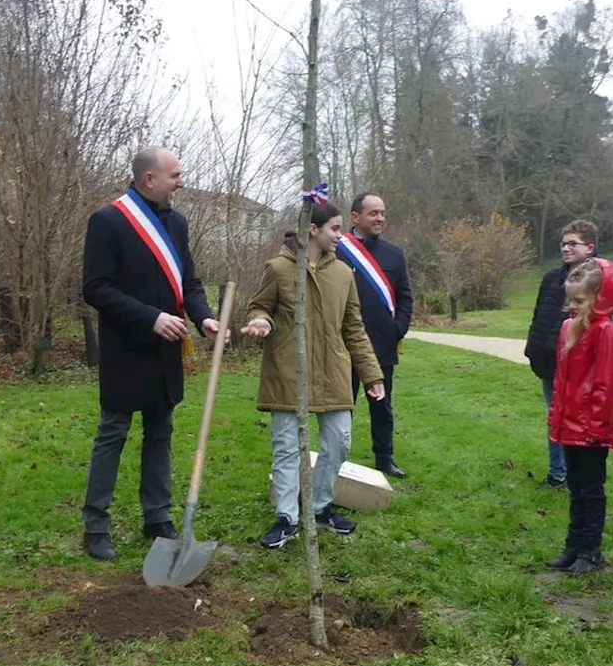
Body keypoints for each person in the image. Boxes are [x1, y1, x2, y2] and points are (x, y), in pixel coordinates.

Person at [80, 147, 218, 561]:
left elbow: (188, 283)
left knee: (160, 433)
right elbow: (96, 288)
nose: (181, 182)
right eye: (175, 175)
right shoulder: (108, 221)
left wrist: (204, 318)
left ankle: (157, 517)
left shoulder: (176, 224)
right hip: (126, 350)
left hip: (165, 352)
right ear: (148, 180)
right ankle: (95, 525)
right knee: (113, 435)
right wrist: (151, 318)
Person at [244, 202, 385, 549]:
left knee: (340, 441)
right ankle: (287, 518)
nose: (340, 236)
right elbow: (259, 305)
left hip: (332, 372)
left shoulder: (343, 274)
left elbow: (354, 328)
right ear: (313, 230)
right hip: (287, 371)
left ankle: (320, 507)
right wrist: (261, 320)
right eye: (335, 229)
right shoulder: (278, 269)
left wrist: (372, 375)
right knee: (287, 447)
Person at [544, 258, 613, 574]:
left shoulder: (605, 331)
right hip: (570, 424)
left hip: (591, 429)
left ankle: (590, 550)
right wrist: (557, 413)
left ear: (601, 298)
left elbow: (606, 385)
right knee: (576, 488)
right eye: (570, 299)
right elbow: (561, 378)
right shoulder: (569, 327)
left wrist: (595, 427)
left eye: (580, 300)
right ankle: (573, 545)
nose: (572, 306)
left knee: (592, 490)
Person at [336, 193, 413, 478]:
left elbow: (405, 297)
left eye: (382, 213)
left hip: (382, 347)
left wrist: (397, 329)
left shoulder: (395, 254)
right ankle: (338, 458)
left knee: (382, 406)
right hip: (343, 347)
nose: (380, 218)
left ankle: (384, 458)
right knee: (342, 407)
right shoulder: (337, 250)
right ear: (355, 217)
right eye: (373, 213)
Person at [524, 220, 597, 489]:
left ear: (590, 247)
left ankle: (579, 474)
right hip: (548, 361)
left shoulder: (597, 280)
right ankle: (558, 474)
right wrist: (533, 347)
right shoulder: (552, 278)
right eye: (563, 244)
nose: (566, 248)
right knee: (554, 417)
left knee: (578, 420)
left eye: (572, 243)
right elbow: (539, 315)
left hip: (579, 365)